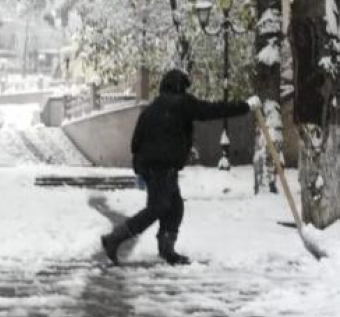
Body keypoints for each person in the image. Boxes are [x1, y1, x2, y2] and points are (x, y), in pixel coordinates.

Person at [100, 68, 261, 266]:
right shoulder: (182, 103)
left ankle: (166, 250)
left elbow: (135, 142)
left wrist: (145, 165)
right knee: (158, 207)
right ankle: (114, 239)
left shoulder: (152, 108)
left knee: (174, 207)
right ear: (179, 87)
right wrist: (245, 106)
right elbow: (212, 111)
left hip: (153, 165)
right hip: (162, 165)